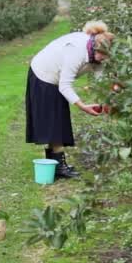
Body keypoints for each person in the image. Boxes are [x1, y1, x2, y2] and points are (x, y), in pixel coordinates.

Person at [25, 21, 113, 179]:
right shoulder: (76, 51)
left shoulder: (96, 52)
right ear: (96, 49)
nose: (104, 60)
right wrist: (82, 106)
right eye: (103, 56)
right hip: (44, 74)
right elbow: (65, 85)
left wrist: (107, 100)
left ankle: (56, 165)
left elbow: (101, 79)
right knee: (55, 121)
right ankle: (60, 166)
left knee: (57, 119)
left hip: (55, 75)